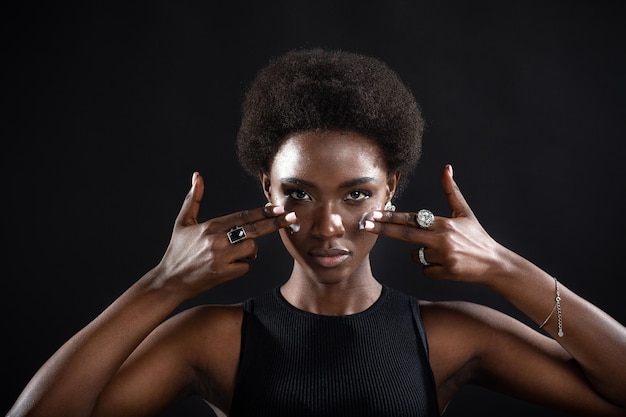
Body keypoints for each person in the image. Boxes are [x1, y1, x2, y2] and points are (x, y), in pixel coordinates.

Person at [7, 48, 626, 417]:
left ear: (390, 188)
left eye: (356, 194)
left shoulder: (448, 336)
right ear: (266, 193)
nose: (328, 225)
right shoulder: (212, 340)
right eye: (298, 193)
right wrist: (161, 286)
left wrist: (502, 268)